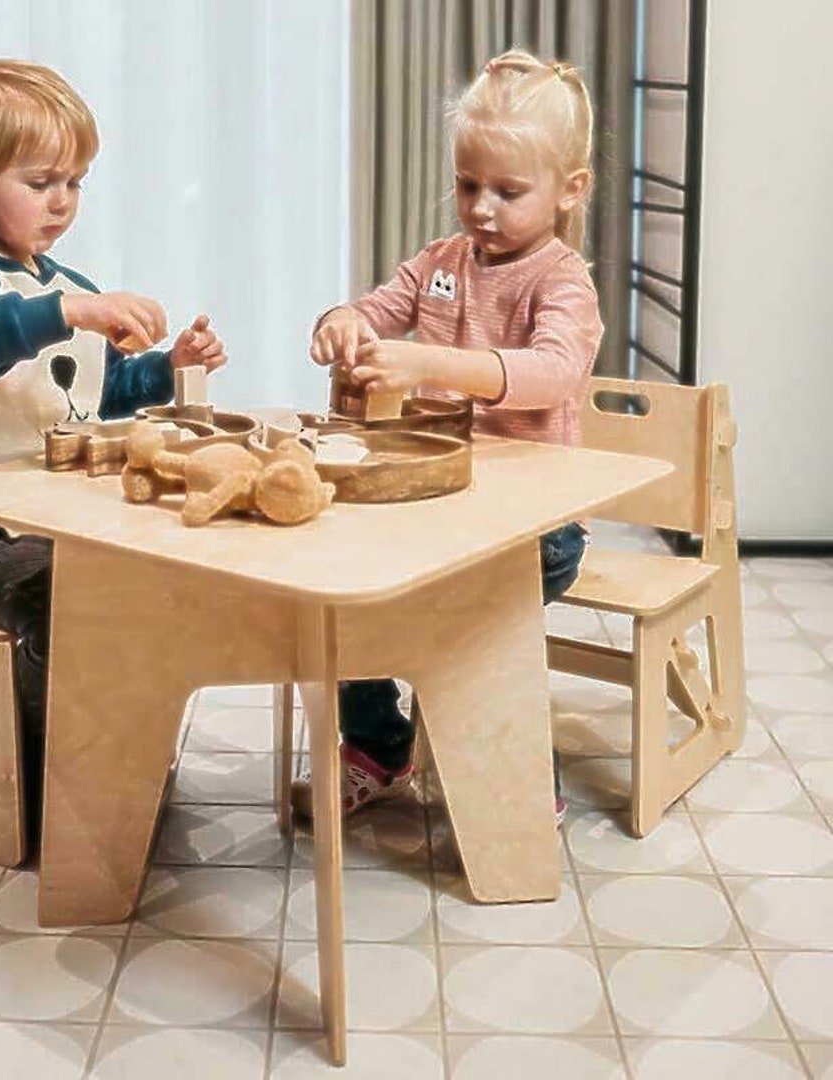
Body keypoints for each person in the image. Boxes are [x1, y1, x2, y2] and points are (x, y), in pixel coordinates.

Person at [0, 59, 227, 852]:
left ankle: (120, 754)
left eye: (75, 182)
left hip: (57, 522)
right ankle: (53, 797)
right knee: (64, 607)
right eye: (41, 181)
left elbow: (98, 394)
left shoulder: (65, 286)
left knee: (147, 585)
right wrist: (65, 311)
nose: (63, 201)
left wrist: (170, 366)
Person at [299, 49, 604, 826]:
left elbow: (553, 373)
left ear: (570, 190)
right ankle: (377, 748)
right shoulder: (441, 264)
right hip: (439, 500)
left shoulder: (561, 280)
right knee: (345, 585)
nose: (482, 208)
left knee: (481, 627)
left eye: (508, 190)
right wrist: (342, 322)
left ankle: (515, 771)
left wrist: (429, 362)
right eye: (469, 185)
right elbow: (377, 307)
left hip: (536, 528)